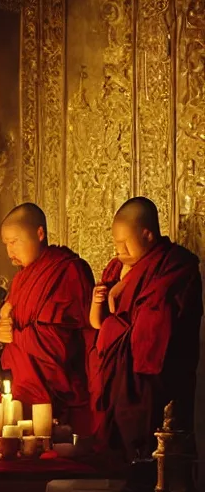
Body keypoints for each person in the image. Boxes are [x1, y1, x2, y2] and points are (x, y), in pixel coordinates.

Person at [91, 197, 202, 460]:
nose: (119, 249)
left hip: (153, 375)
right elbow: (98, 320)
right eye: (116, 242)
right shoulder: (117, 267)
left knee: (155, 444)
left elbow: (156, 322)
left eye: (125, 242)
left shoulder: (175, 266)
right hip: (118, 370)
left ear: (148, 234)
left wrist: (113, 322)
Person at [0, 203, 95, 434]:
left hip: (59, 391)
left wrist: (16, 336)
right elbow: (10, 324)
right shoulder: (21, 279)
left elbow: (60, 342)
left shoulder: (69, 270)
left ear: (40, 234)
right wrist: (0, 330)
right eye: (6, 244)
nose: (10, 252)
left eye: (14, 242)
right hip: (25, 389)